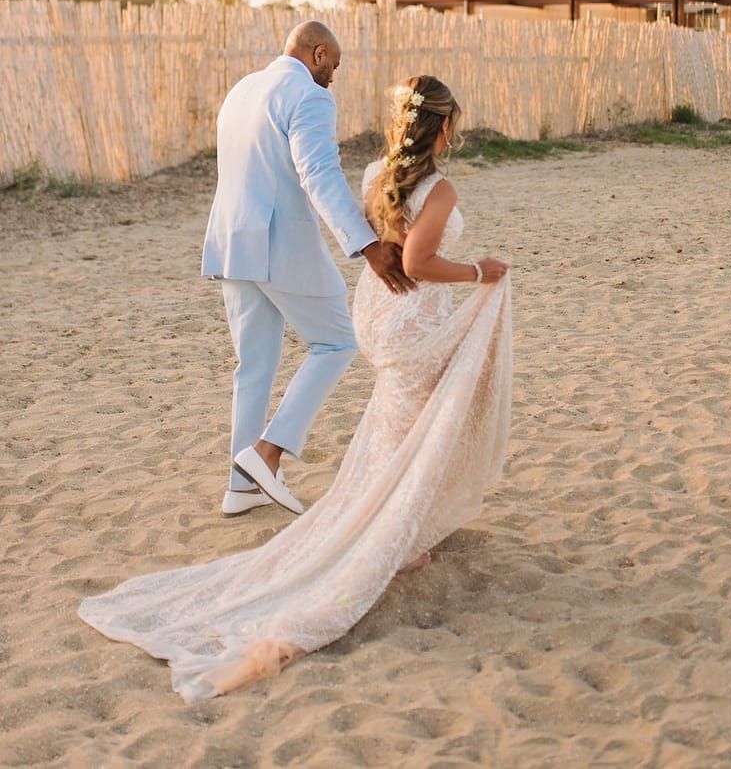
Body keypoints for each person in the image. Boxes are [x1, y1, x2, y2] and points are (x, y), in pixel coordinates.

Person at [79, 75, 512, 702]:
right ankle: (394, 536)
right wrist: (480, 271)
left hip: (378, 313)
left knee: (405, 422)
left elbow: (382, 241)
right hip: (411, 314)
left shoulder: (373, 175)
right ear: (444, 128)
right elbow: (417, 264)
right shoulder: (438, 189)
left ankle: (400, 526)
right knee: (431, 420)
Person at [200, 20, 412, 518]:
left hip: (232, 244)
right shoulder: (309, 96)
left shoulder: (242, 89)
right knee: (337, 341)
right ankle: (266, 456)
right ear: (317, 54)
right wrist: (367, 245)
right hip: (279, 244)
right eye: (333, 66)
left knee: (252, 367)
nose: (333, 78)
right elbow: (318, 173)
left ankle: (240, 487)